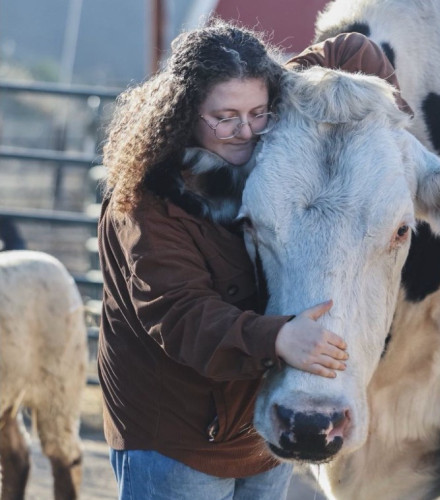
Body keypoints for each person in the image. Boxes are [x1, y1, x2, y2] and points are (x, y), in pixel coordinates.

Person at [98, 19, 409, 500]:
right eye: (225, 117)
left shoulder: (266, 160)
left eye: (259, 112)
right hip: (178, 443)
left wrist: (386, 130)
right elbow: (179, 315)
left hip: (265, 426)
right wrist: (280, 336)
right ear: (184, 114)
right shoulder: (145, 199)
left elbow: (354, 51)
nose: (245, 131)